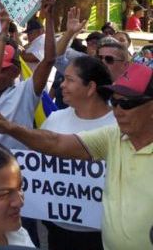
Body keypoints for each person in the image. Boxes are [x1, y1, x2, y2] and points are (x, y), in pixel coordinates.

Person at [0, 62, 153, 250]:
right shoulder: (113, 135)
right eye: (115, 101)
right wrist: (9, 127)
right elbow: (56, 143)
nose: (118, 111)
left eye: (127, 104)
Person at [38, 55, 113, 250]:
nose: (62, 85)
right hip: (58, 230)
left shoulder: (119, 124)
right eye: (63, 79)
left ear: (91, 87)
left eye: (70, 80)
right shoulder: (54, 119)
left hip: (104, 235)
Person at [0, 0, 55, 149]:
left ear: (15, 71)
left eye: (2, 70)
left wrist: (49, 18)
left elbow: (48, 60)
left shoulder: (27, 91)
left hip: (17, 169)